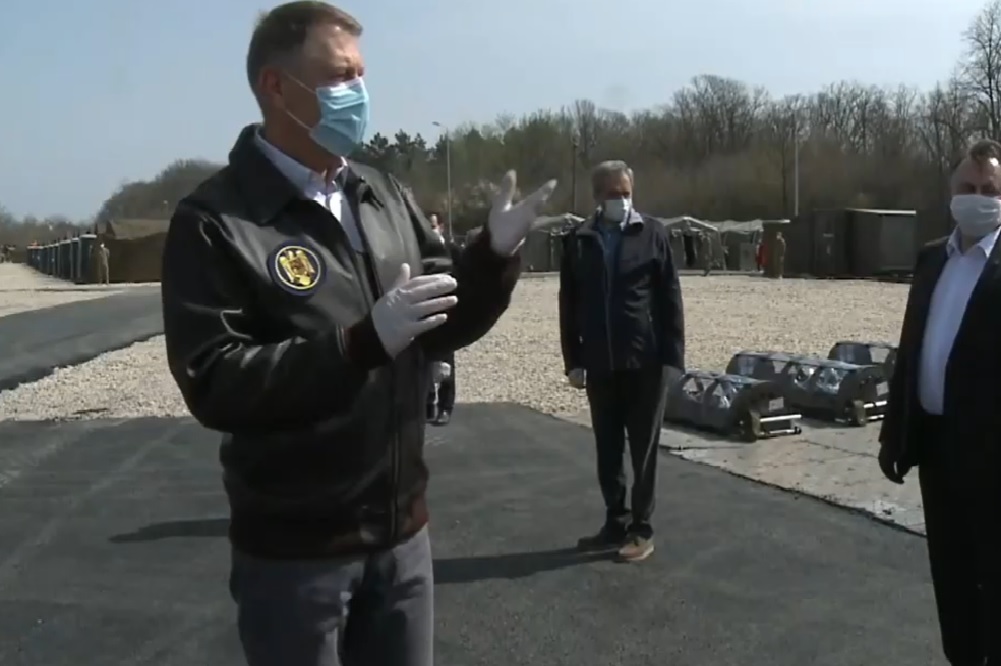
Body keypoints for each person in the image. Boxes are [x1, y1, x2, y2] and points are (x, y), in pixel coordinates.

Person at [159, 3, 555, 665]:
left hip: (402, 538)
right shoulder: (216, 221)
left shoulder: (381, 193)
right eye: (340, 77)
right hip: (296, 557)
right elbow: (216, 380)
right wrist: (358, 344)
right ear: (276, 87)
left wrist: (490, 259)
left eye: (361, 75)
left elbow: (441, 321)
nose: (359, 93)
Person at [877, 139, 1001, 666]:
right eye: (968, 187)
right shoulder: (931, 260)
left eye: (990, 189)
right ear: (951, 192)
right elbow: (913, 350)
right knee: (953, 584)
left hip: (999, 466)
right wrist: (895, 434)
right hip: (938, 454)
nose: (978, 197)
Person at [559, 160, 685, 563]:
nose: (622, 200)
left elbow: (670, 296)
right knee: (607, 448)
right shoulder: (579, 240)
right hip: (600, 362)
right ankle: (615, 520)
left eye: (626, 192)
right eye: (614, 194)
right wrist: (573, 359)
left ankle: (641, 528)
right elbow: (569, 303)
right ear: (597, 196)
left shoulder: (653, 234)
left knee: (643, 450)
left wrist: (673, 357)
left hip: (645, 361)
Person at [425, 212, 456, 426]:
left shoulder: (452, 251)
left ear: (441, 228)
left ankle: (445, 407)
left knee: (446, 361)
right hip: (425, 308)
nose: (430, 231)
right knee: (424, 359)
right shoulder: (419, 250)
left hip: (448, 308)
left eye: (433, 226)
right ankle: (427, 405)